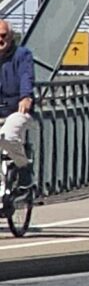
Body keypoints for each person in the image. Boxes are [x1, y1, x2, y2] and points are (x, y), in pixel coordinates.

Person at [0, 19, 34, 180]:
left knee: (7, 135)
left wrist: (25, 96)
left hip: (17, 109)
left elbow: (26, 76)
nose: (0, 39)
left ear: (11, 36)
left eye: (3, 35)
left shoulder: (22, 55)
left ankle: (24, 167)